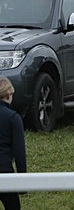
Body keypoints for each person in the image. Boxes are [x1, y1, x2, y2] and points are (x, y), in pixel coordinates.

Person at [0, 77, 26, 210]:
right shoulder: (13, 118)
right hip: (4, 170)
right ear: (9, 94)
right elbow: (19, 152)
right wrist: (22, 183)